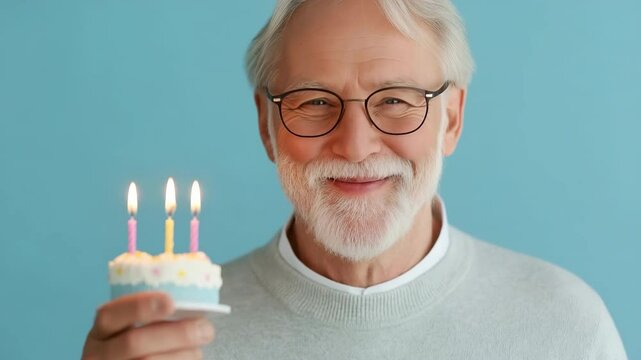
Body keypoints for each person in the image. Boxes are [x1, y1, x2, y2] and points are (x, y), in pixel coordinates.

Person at [82, 0, 628, 359]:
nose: (356, 146)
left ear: (452, 119)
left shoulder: (565, 326)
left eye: (394, 101)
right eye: (314, 102)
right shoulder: (167, 337)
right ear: (266, 126)